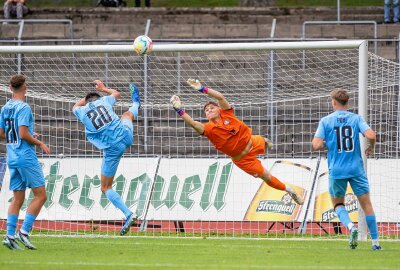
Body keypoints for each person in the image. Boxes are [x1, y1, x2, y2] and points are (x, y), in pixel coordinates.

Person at [170, 79, 304, 206]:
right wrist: (179, 110)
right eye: (206, 110)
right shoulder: (208, 129)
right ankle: (289, 190)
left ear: (219, 109)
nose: (209, 110)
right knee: (267, 177)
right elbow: (193, 124)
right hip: (244, 159)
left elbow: (220, 97)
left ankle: (265, 141)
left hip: (252, 142)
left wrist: (202, 88)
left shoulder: (227, 113)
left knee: (263, 141)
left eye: (211, 107)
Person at [312, 89, 381, 251]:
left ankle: (351, 227)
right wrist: (371, 148)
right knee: (366, 205)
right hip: (356, 169)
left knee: (337, 204)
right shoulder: (356, 119)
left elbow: (316, 145)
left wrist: (326, 144)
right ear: (347, 103)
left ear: (333, 102)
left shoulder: (326, 121)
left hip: (337, 170)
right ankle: (376, 243)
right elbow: (371, 135)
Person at [72, 80, 140, 236]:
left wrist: (85, 99)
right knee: (127, 114)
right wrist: (103, 89)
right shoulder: (104, 100)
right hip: (125, 135)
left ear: (87, 102)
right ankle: (136, 103)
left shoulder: (82, 111)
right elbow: (116, 93)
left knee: (105, 187)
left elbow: (74, 107)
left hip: (112, 149)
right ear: (98, 97)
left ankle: (128, 213)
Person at [0, 74, 50, 250]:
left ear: (10, 87)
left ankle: (10, 236)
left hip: (11, 156)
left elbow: (2, 134)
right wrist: (39, 142)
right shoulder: (24, 107)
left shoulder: (5, 107)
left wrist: (26, 134)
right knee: (41, 195)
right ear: (24, 87)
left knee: (18, 198)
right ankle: (24, 232)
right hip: (24, 156)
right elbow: (23, 134)